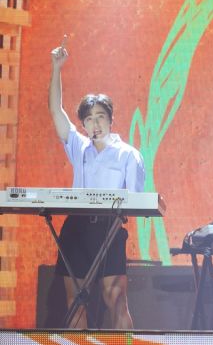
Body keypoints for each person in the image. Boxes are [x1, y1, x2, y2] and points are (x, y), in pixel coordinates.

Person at [49, 41, 145, 329]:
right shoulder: (79, 147)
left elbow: (136, 201)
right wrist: (56, 69)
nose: (95, 124)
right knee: (76, 300)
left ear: (111, 120)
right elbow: (56, 111)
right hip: (76, 228)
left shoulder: (128, 154)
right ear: (84, 124)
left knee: (115, 298)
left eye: (100, 117)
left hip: (109, 229)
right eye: (89, 119)